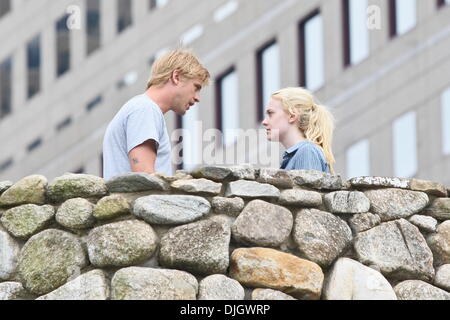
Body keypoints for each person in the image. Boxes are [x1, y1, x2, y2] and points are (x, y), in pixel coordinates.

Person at [102, 49, 210, 180]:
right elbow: (145, 177)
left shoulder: (142, 108)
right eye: (196, 87)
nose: (197, 98)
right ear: (176, 77)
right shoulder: (145, 108)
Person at [261, 87, 335, 174]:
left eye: (271, 113)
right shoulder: (297, 155)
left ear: (292, 116)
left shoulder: (307, 152)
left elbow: (307, 187)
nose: (264, 122)